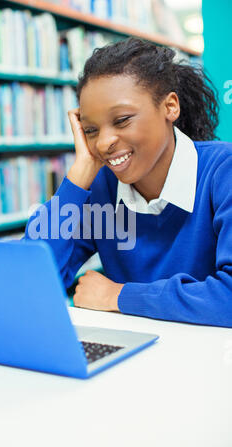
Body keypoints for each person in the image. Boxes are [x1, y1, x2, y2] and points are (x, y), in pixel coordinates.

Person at [25, 37, 232, 328]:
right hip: (133, 361)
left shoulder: (222, 171)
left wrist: (119, 296)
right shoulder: (101, 188)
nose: (105, 142)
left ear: (170, 106)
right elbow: (29, 283)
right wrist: (79, 176)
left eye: (122, 120)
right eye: (91, 130)